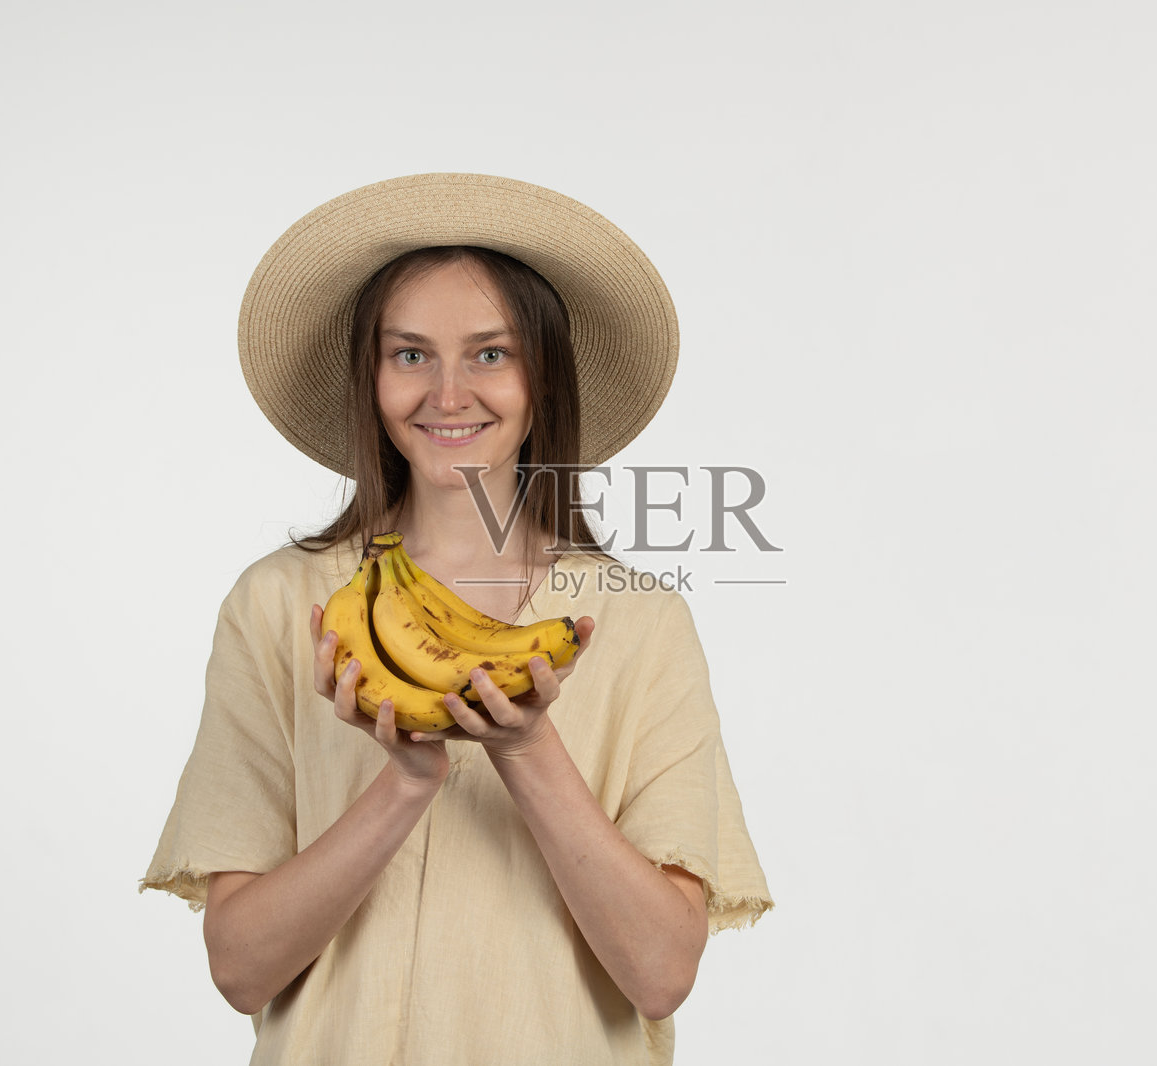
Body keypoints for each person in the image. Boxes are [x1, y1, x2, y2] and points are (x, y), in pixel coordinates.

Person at [141, 173, 771, 1065]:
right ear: (370, 378)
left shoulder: (638, 621)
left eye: (489, 354)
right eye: (409, 355)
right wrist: (402, 782)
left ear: (541, 376)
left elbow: (661, 973)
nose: (447, 393)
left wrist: (525, 750)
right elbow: (241, 969)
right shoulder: (282, 606)